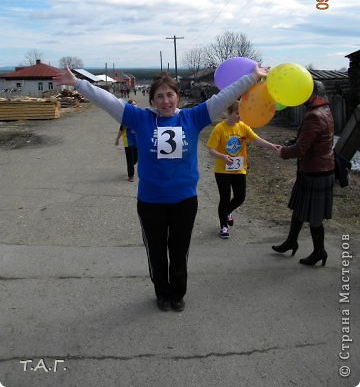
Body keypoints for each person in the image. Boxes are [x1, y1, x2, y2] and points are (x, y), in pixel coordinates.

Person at [53, 65, 267, 312]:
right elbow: (108, 101)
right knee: (156, 252)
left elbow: (224, 96)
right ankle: (161, 292)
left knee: (179, 251)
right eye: (160, 96)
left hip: (184, 201)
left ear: (177, 97)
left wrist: (252, 77)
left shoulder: (193, 117)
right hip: (151, 202)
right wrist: (78, 84)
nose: (165, 101)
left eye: (170, 95)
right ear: (152, 100)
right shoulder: (140, 118)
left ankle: (177, 293)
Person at [272, 81, 335, 266]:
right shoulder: (324, 109)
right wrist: (292, 142)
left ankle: (319, 251)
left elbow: (301, 149)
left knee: (314, 217)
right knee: (299, 208)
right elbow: (310, 139)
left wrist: (283, 151)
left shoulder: (314, 115)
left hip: (316, 172)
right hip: (317, 169)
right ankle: (291, 241)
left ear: (313, 93)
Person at [207, 100, 278, 239]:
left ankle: (227, 212)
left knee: (240, 197)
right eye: (237, 113)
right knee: (225, 198)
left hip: (239, 168)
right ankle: (224, 226)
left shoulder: (243, 127)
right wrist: (223, 156)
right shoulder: (220, 128)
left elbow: (257, 139)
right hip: (223, 169)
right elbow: (210, 149)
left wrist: (272, 146)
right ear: (229, 113)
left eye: (242, 114)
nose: (240, 116)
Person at [115, 99, 138, 182]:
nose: (134, 105)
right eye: (132, 104)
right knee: (130, 159)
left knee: (136, 158)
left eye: (135, 104)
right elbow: (121, 129)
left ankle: (131, 165)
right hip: (128, 141)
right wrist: (117, 139)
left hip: (137, 141)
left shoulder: (139, 116)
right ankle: (130, 176)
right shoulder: (126, 118)